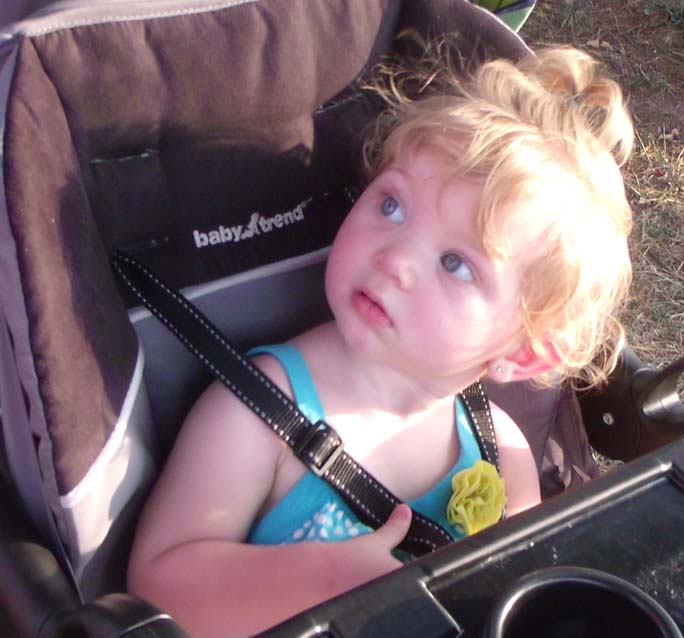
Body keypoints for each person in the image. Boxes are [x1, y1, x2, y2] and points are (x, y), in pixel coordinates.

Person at [126, 44, 634, 637]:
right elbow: (154, 590)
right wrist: (318, 580)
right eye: (391, 206)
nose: (395, 259)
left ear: (523, 352)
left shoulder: (503, 453)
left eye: (456, 263)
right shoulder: (257, 415)